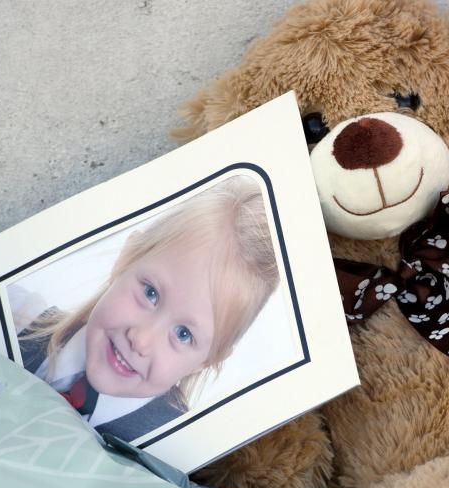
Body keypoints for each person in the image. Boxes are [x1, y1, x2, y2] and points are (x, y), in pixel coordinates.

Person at [18, 175, 279, 442]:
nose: (141, 340)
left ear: (206, 361)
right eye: (150, 293)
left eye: (183, 334)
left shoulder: (175, 450)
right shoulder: (17, 320)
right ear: (126, 257)